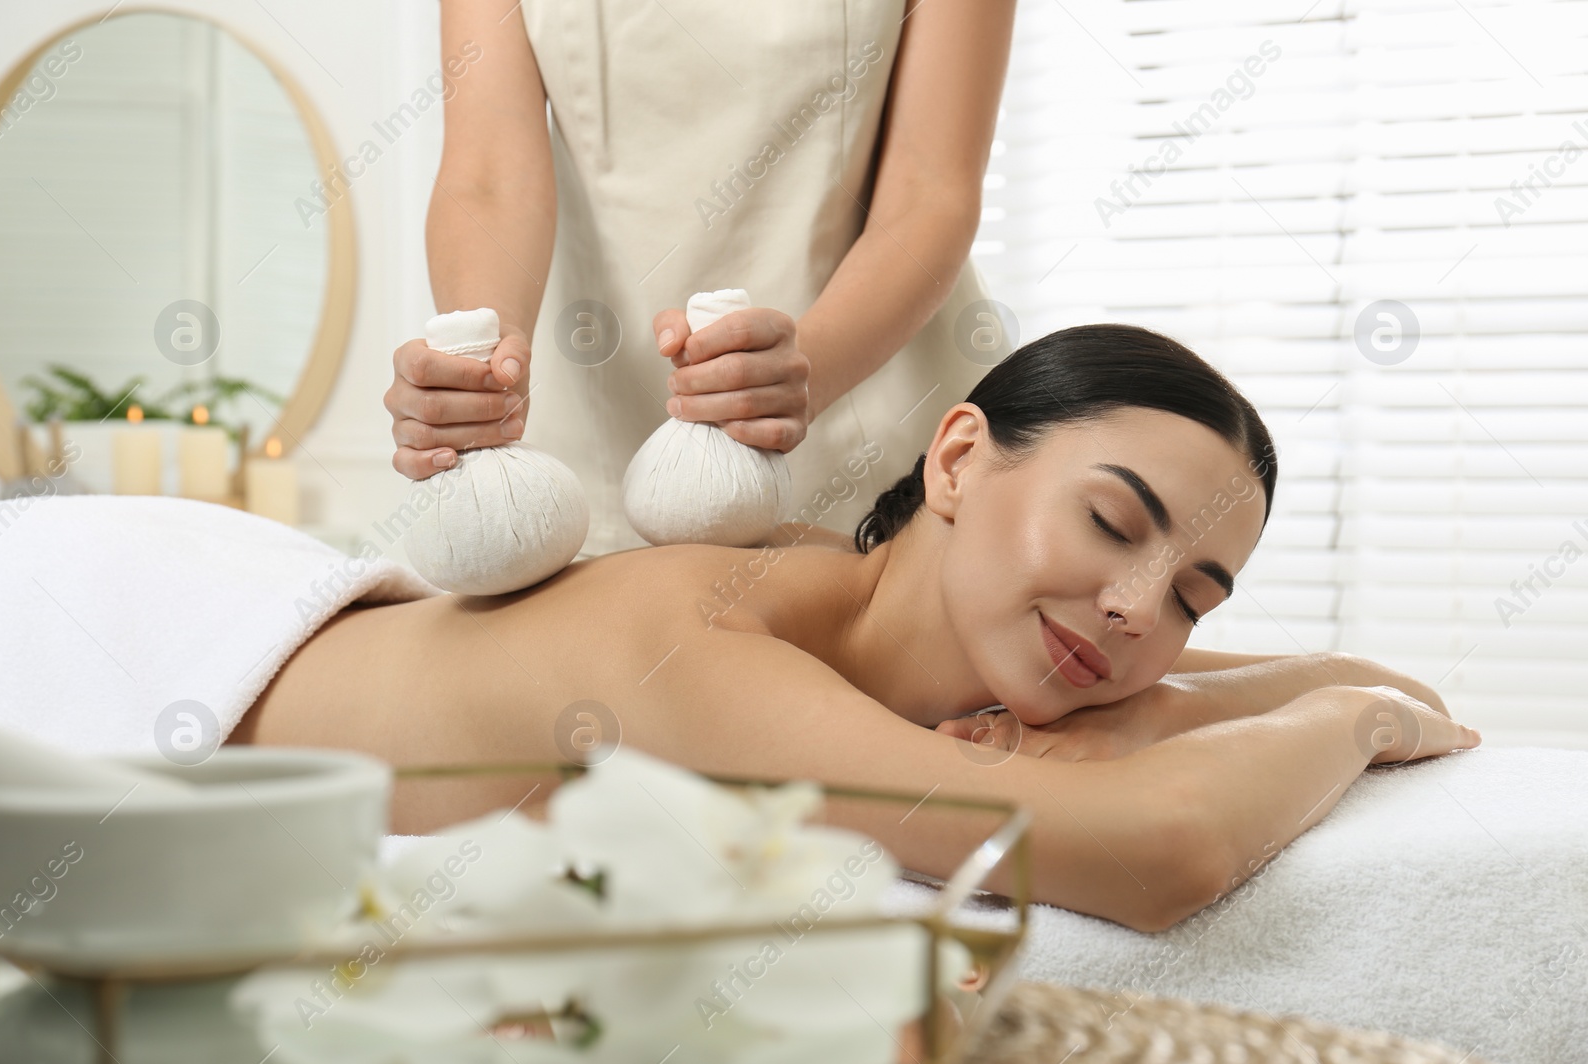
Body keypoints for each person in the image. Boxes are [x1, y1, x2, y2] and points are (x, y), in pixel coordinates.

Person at [236, 323, 1479, 932]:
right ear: (956, 458)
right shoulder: (700, 643)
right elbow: (1164, 850)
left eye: (1194, 596)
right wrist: (1346, 720)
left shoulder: (864, 605)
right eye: (1109, 521)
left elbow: (1377, 673)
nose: (1133, 608)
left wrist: (1173, 697)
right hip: (191, 640)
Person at [381, 0, 1019, 557]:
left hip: (866, 418)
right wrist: (478, 366)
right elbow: (489, 174)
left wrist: (801, 373)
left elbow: (932, 189)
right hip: (593, 431)